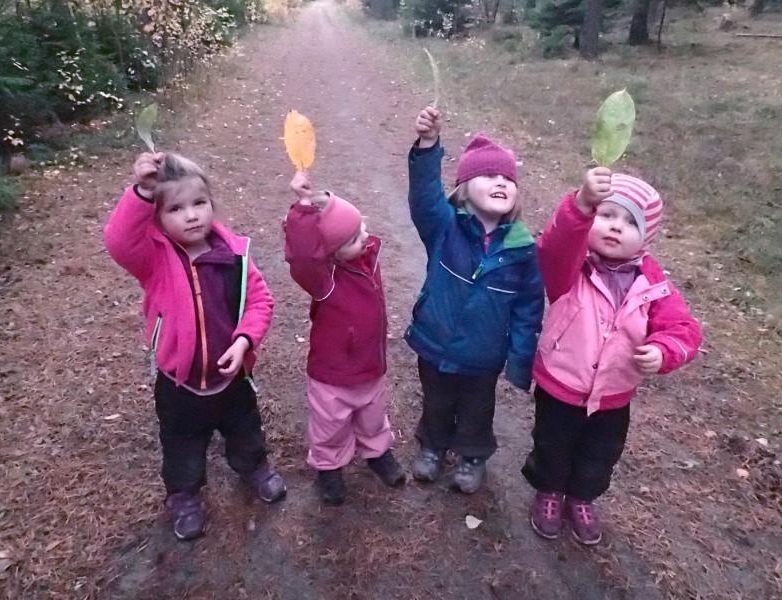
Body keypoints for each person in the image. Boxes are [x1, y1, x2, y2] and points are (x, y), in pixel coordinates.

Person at [104, 151, 286, 540]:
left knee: (245, 428)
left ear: (212, 205)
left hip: (231, 376)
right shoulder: (152, 260)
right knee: (182, 442)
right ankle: (183, 495)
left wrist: (244, 340)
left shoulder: (234, 255)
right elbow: (118, 241)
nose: (191, 215)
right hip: (179, 381)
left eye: (199, 203)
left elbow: (260, 301)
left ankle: (254, 467)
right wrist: (141, 191)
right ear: (157, 217)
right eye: (176, 208)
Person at [524, 167, 702, 545]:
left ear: (646, 237)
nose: (615, 227)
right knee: (551, 445)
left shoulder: (653, 285)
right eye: (606, 215)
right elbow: (553, 246)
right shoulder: (570, 267)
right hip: (561, 383)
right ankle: (549, 491)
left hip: (613, 395)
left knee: (600, 454)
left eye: (629, 221)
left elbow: (684, 329)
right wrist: (582, 203)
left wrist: (662, 350)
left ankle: (582, 497)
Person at [406, 106, 544, 494]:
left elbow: (528, 308)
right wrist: (428, 144)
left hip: (484, 356)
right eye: (487, 175)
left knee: (477, 409)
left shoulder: (522, 249)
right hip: (434, 343)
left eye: (507, 178)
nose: (501, 182)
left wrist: (520, 359)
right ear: (464, 188)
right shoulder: (444, 227)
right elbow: (423, 195)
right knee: (436, 401)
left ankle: (471, 456)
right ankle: (432, 446)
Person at [284, 170, 405, 506]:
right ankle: (329, 467)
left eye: (361, 227)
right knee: (330, 427)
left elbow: (345, 236)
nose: (364, 237)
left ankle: (377, 453)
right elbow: (303, 256)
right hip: (333, 376)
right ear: (330, 254)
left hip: (370, 367)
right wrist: (303, 209)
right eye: (352, 238)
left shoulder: (366, 258)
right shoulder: (324, 278)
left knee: (373, 417)